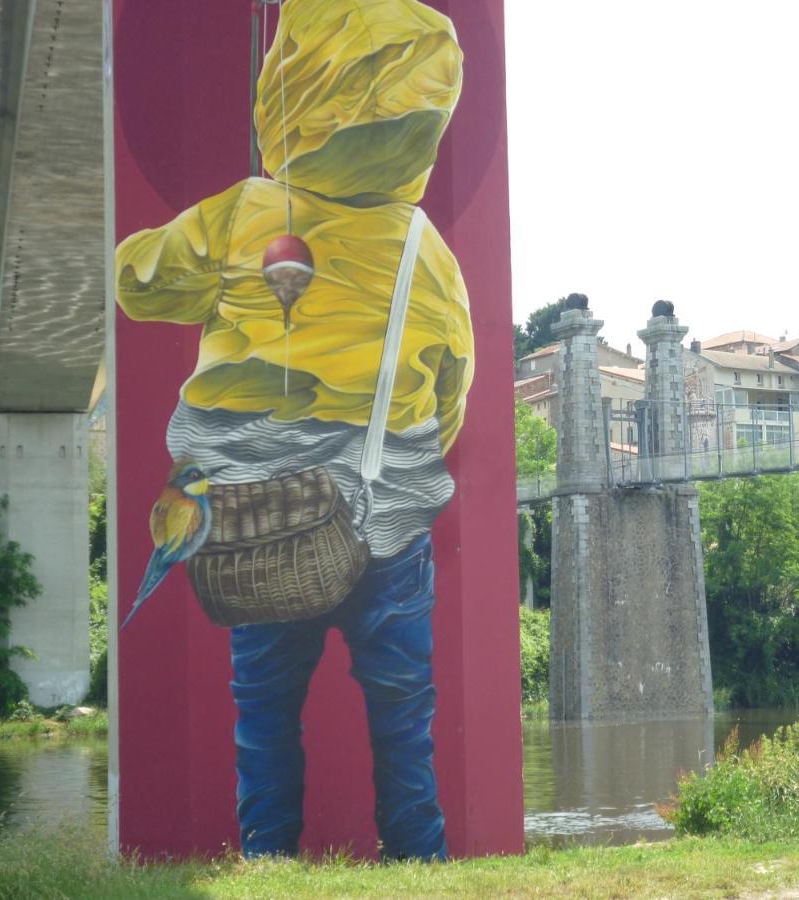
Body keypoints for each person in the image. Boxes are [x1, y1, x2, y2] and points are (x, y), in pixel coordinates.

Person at [115, 0, 471, 860]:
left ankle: (267, 859)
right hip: (388, 521)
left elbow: (140, 285)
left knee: (265, 712)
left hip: (258, 517)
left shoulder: (244, 216)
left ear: (293, 85)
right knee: (402, 712)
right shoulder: (426, 249)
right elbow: (451, 389)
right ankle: (418, 863)